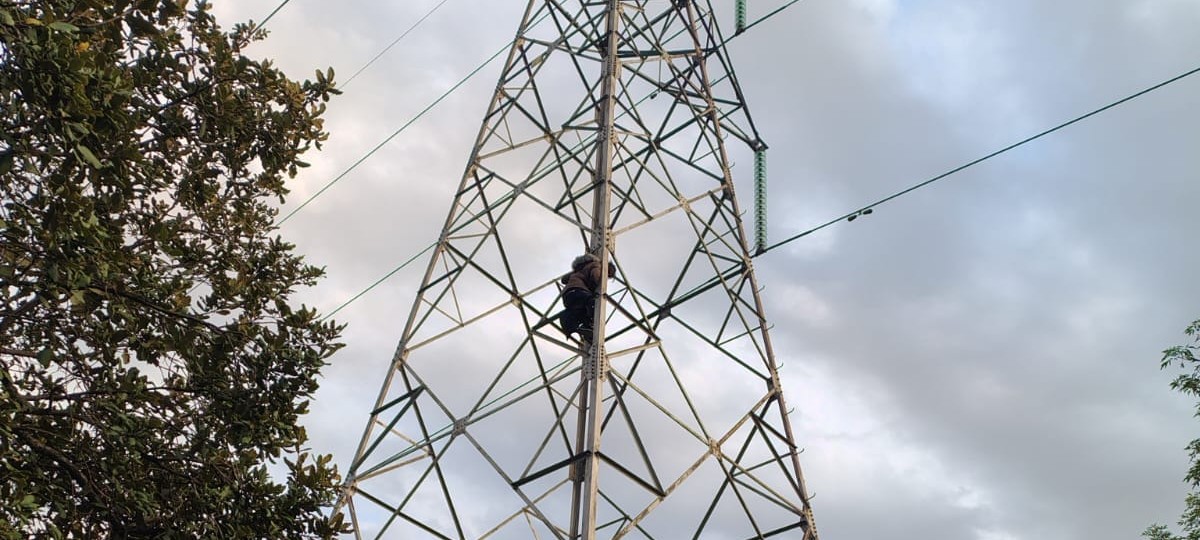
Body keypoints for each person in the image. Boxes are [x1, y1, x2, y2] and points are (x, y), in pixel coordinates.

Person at [558, 253, 615, 341]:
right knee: (593, 303)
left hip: (567, 295)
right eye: (608, 276)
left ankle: (575, 326)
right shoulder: (597, 265)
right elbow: (595, 276)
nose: (607, 278)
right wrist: (599, 285)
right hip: (579, 290)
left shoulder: (579, 270)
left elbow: (564, 280)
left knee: (579, 311)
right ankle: (590, 325)